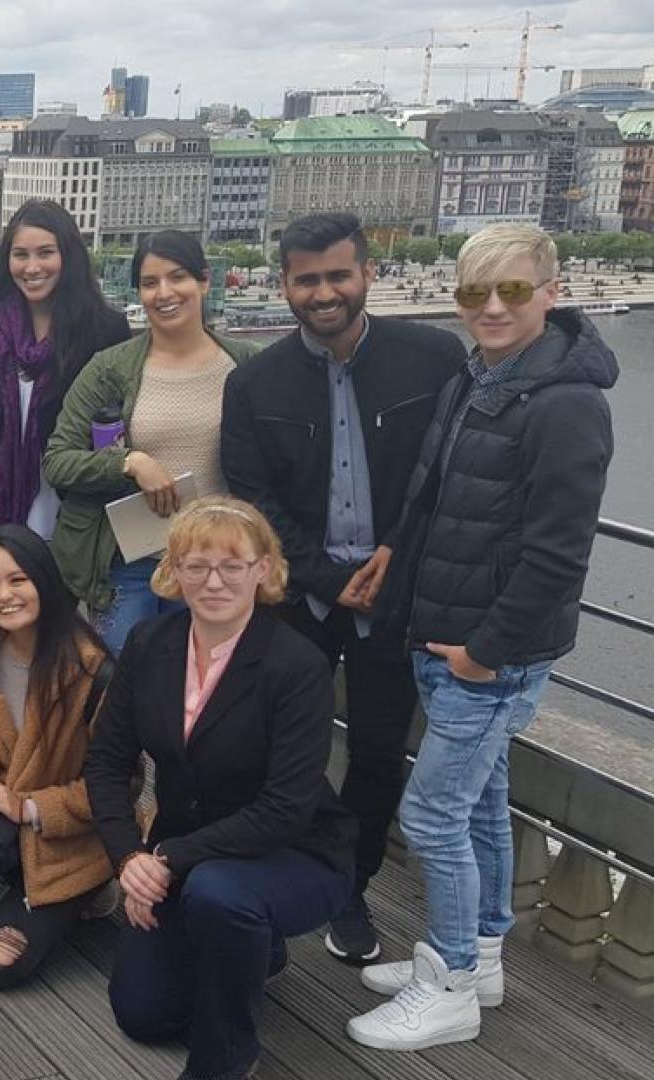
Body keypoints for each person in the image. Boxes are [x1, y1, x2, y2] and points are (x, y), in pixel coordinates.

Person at [347, 224, 616, 1051]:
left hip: (487, 653)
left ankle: (451, 980)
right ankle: (484, 956)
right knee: (482, 807)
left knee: (431, 814)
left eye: (511, 291)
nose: (491, 309)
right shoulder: (484, 375)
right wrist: (395, 551)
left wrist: (485, 652)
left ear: (551, 292)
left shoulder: (567, 403)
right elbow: (435, 492)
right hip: (448, 633)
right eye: (474, 294)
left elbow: (557, 555)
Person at [219, 212, 465, 964]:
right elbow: (254, 497)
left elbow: (448, 476)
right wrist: (329, 577)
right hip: (305, 598)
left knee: (381, 753)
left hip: (400, 595)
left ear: (367, 274)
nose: (323, 292)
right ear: (284, 283)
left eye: (337, 275)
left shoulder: (434, 358)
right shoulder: (255, 381)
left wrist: (393, 554)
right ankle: (301, 862)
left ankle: (351, 890)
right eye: (307, 279)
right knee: (278, 743)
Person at [84, 498, 354, 1080]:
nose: (214, 581)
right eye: (196, 565)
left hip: (296, 851)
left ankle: (227, 1055)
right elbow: (106, 761)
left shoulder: (298, 666)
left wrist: (166, 860)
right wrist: (128, 858)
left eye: (233, 566)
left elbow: (285, 808)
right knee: (144, 1013)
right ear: (174, 573)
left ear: (263, 570)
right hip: (185, 854)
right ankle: (253, 948)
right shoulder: (149, 645)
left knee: (219, 894)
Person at [43, 231, 260, 653]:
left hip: (217, 563)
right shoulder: (110, 369)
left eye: (177, 277)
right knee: (124, 689)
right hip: (132, 564)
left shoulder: (247, 364)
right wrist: (129, 462)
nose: (164, 293)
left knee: (207, 695)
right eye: (149, 283)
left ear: (204, 281)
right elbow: (57, 459)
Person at [0, 200, 133, 648]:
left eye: (45, 253)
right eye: (20, 254)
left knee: (53, 642)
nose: (32, 267)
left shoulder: (104, 330)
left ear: (67, 256)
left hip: (59, 513)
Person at [0, 524, 115, 988]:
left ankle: (86, 887)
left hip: (72, 833)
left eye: (18, 579)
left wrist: (27, 806)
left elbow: (119, 786)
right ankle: (24, 880)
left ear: (44, 579)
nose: (4, 596)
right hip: (3, 810)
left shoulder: (92, 670)